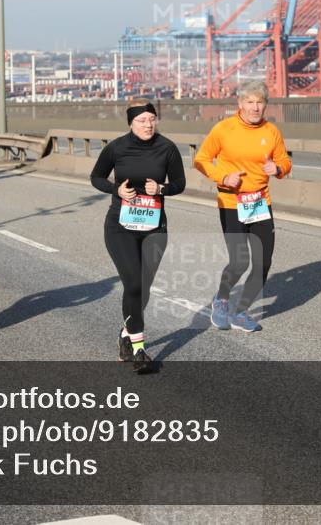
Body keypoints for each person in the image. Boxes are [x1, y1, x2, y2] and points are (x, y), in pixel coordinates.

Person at [90, 101, 185, 373]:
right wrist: (115, 189)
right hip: (120, 227)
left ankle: (126, 333)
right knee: (133, 283)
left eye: (152, 119)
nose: (148, 124)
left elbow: (179, 183)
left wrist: (162, 188)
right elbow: (96, 176)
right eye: (142, 120)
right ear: (131, 123)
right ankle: (139, 350)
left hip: (155, 228)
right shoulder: (117, 147)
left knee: (142, 287)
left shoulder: (167, 148)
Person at [194, 80, 292, 332]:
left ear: (266, 105)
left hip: (260, 202)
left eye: (260, 102)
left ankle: (241, 311)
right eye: (249, 101)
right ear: (239, 104)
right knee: (239, 262)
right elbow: (201, 159)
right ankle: (222, 300)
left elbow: (284, 160)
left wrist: (278, 168)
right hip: (231, 201)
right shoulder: (224, 129)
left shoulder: (271, 131)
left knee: (263, 263)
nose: (255, 107)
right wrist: (223, 177)